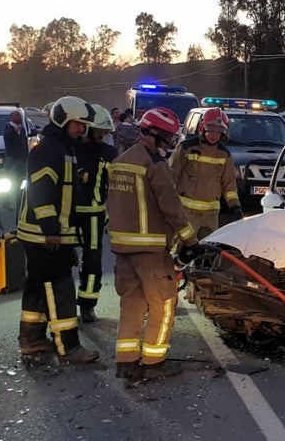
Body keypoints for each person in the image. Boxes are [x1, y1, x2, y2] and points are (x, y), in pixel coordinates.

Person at [107, 106, 203, 381]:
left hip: (123, 249)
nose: (171, 144)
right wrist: (190, 240)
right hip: (150, 250)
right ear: (157, 135)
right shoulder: (154, 164)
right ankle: (154, 362)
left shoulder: (121, 160)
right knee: (164, 303)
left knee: (132, 304)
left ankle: (126, 362)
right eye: (170, 138)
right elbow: (170, 207)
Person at [15, 96, 100, 363]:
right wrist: (52, 229)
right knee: (61, 287)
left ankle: (32, 339)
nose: (82, 130)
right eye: (78, 124)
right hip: (45, 234)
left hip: (44, 232)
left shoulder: (61, 148)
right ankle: (69, 347)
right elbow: (41, 193)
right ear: (63, 120)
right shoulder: (49, 150)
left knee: (38, 286)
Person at [74, 104, 118, 323]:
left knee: (92, 263)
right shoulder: (69, 149)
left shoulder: (109, 154)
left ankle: (87, 304)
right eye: (99, 130)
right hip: (68, 215)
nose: (103, 135)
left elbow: (116, 186)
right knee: (62, 259)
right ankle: (61, 304)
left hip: (94, 215)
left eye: (105, 131)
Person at [169, 108, 241, 238]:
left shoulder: (225, 155)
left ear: (223, 133)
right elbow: (171, 176)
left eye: (218, 131)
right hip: (186, 213)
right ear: (202, 128)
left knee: (208, 251)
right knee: (179, 249)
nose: (214, 135)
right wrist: (169, 204)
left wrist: (234, 206)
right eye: (210, 129)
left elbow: (229, 184)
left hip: (210, 216)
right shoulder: (186, 148)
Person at [2, 109, 30, 211]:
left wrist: (27, 155)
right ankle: (6, 202)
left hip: (22, 159)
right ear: (12, 117)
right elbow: (6, 137)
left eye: (20, 116)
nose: (19, 118)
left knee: (22, 181)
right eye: (17, 116)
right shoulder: (8, 127)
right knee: (8, 181)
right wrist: (14, 130)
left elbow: (24, 142)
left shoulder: (22, 129)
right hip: (11, 159)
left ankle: (20, 202)